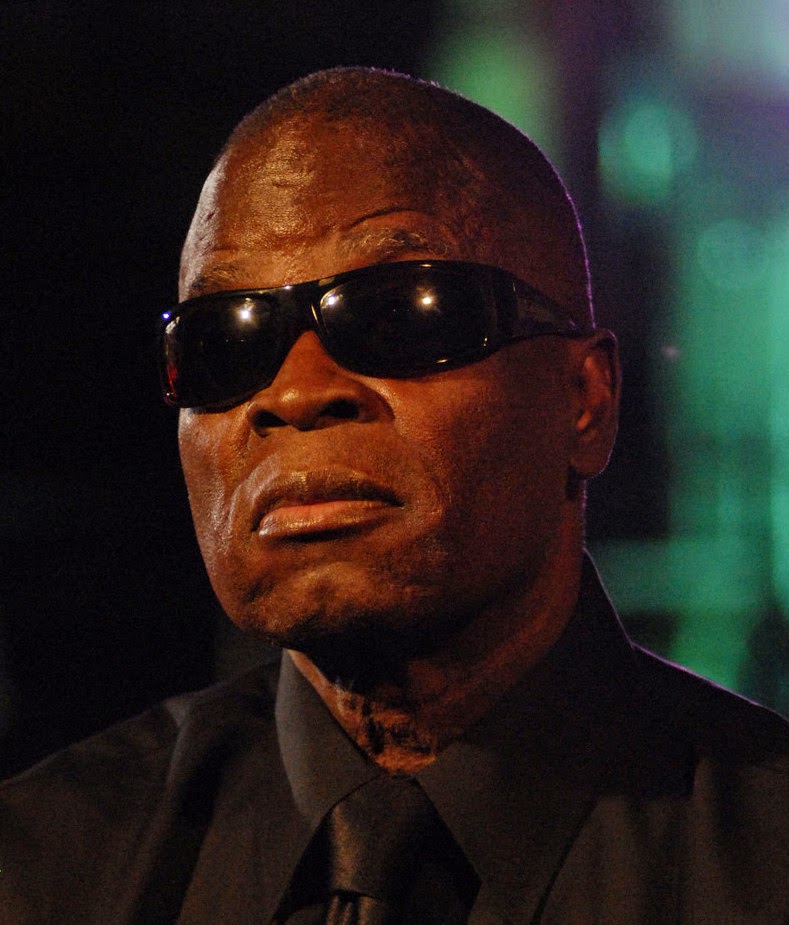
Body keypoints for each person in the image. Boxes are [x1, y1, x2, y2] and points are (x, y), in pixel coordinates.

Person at [1, 67, 787, 924]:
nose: (294, 392)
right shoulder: (45, 867)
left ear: (583, 401)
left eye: (402, 314)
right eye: (223, 339)